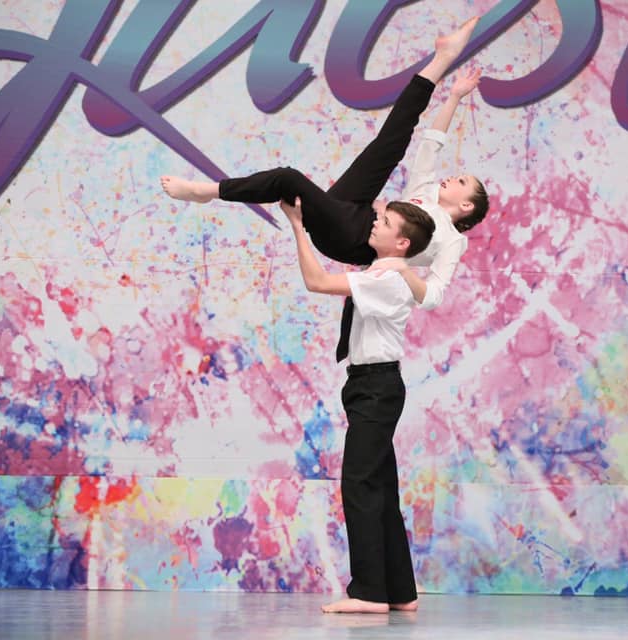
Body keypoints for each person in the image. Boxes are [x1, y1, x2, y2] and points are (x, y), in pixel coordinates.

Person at [161, 17, 489, 310]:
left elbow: (434, 295)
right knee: (392, 140)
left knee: (288, 178)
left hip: (351, 239)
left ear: (465, 206)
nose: (451, 179)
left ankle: (208, 190)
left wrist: (403, 268)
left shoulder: (452, 241)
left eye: (461, 183)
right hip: (356, 211)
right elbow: (432, 142)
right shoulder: (426, 194)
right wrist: (455, 97)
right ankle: (442, 59)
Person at [279, 195, 434, 614]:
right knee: (379, 487)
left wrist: (297, 226)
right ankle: (400, 591)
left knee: (360, 485)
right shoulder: (385, 271)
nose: (375, 223)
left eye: (384, 221)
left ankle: (368, 592)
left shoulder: (387, 278)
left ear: (401, 243)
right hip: (371, 385)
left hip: (376, 387)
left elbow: (317, 282)